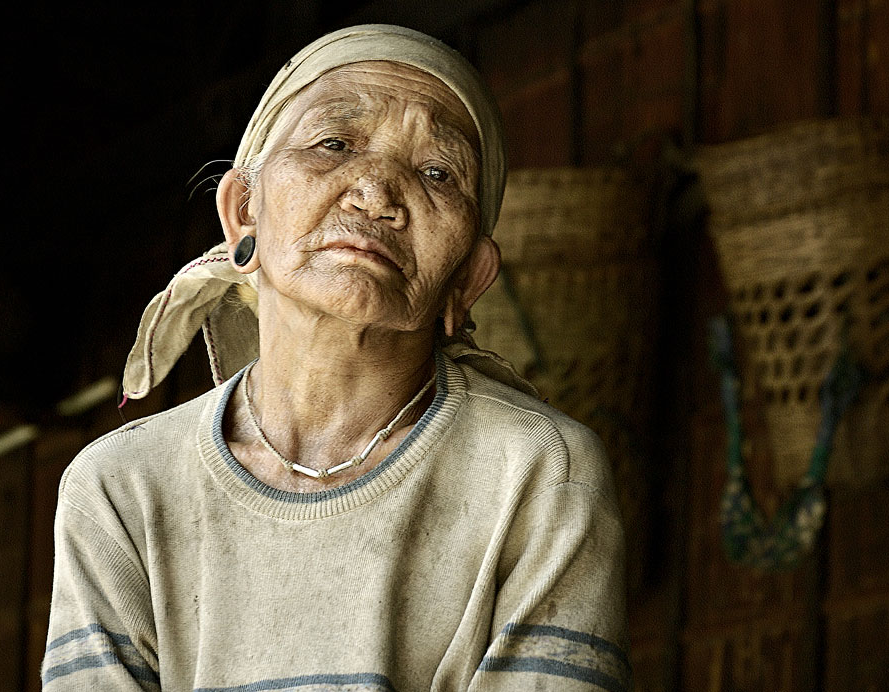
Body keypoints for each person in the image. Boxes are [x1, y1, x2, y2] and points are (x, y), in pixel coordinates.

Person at [42, 25, 628, 692]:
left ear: (468, 278)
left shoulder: (538, 473)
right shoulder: (122, 487)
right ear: (243, 215)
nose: (376, 194)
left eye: (437, 172)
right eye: (333, 144)